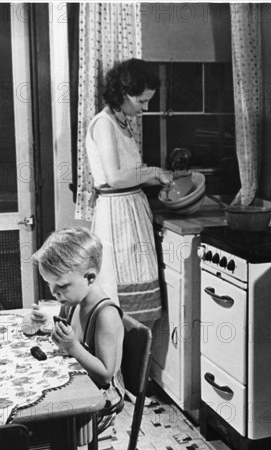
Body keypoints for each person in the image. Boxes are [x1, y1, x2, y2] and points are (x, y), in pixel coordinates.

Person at [85, 58, 171, 325]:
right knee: (120, 300)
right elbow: (115, 177)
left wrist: (156, 178)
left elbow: (129, 175)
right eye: (141, 101)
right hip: (117, 216)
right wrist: (153, 171)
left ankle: (134, 364)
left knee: (138, 305)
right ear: (123, 93)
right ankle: (115, 365)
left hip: (131, 211)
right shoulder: (104, 124)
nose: (145, 108)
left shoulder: (121, 123)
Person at [32, 227, 125, 433]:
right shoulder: (72, 300)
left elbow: (105, 376)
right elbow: (65, 338)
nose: (55, 293)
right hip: (79, 389)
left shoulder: (105, 315)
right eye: (49, 284)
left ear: (90, 278)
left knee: (36, 427)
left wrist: (72, 345)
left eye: (62, 285)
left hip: (100, 405)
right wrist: (44, 326)